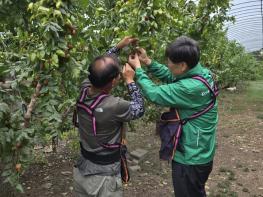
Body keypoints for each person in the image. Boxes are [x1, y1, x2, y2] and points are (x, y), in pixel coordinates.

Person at [127, 36, 218, 197]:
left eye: (170, 62)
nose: (168, 65)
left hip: (190, 157)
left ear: (183, 65)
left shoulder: (190, 88)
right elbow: (173, 76)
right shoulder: (202, 74)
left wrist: (139, 71)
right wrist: (148, 62)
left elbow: (154, 94)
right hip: (201, 152)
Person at [73, 36, 144, 197]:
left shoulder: (83, 89)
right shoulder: (114, 105)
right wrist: (130, 81)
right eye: (118, 75)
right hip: (104, 178)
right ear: (113, 82)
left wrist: (117, 48)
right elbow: (139, 109)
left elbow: (99, 67)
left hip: (82, 169)